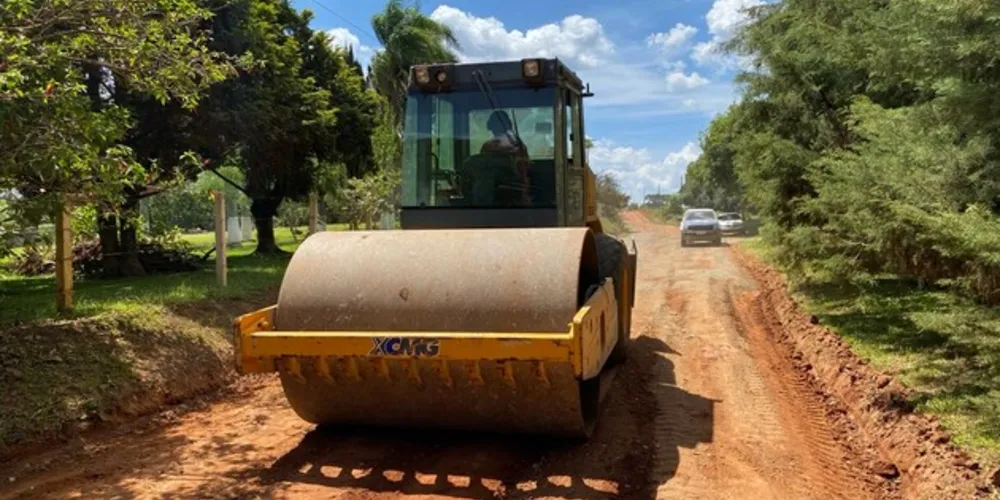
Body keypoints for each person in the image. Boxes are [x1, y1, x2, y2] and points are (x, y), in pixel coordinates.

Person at [479, 110, 531, 205]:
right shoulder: (518, 146)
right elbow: (525, 171)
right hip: (517, 197)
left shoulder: (487, 147)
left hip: (490, 198)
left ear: (490, 126)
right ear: (508, 125)